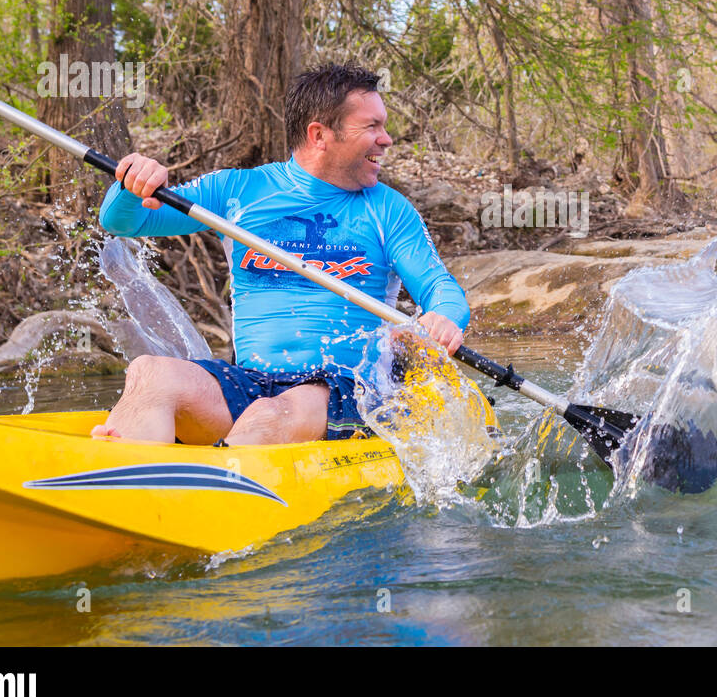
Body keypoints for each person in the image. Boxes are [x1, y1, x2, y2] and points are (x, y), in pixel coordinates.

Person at [90, 63, 468, 445]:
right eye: (372, 126)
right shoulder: (239, 191)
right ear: (320, 134)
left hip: (349, 390)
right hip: (252, 384)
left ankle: (215, 489)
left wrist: (443, 318)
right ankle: (117, 483)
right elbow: (124, 222)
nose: (386, 139)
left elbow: (439, 287)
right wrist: (131, 183)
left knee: (270, 415)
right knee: (149, 373)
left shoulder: (388, 210)